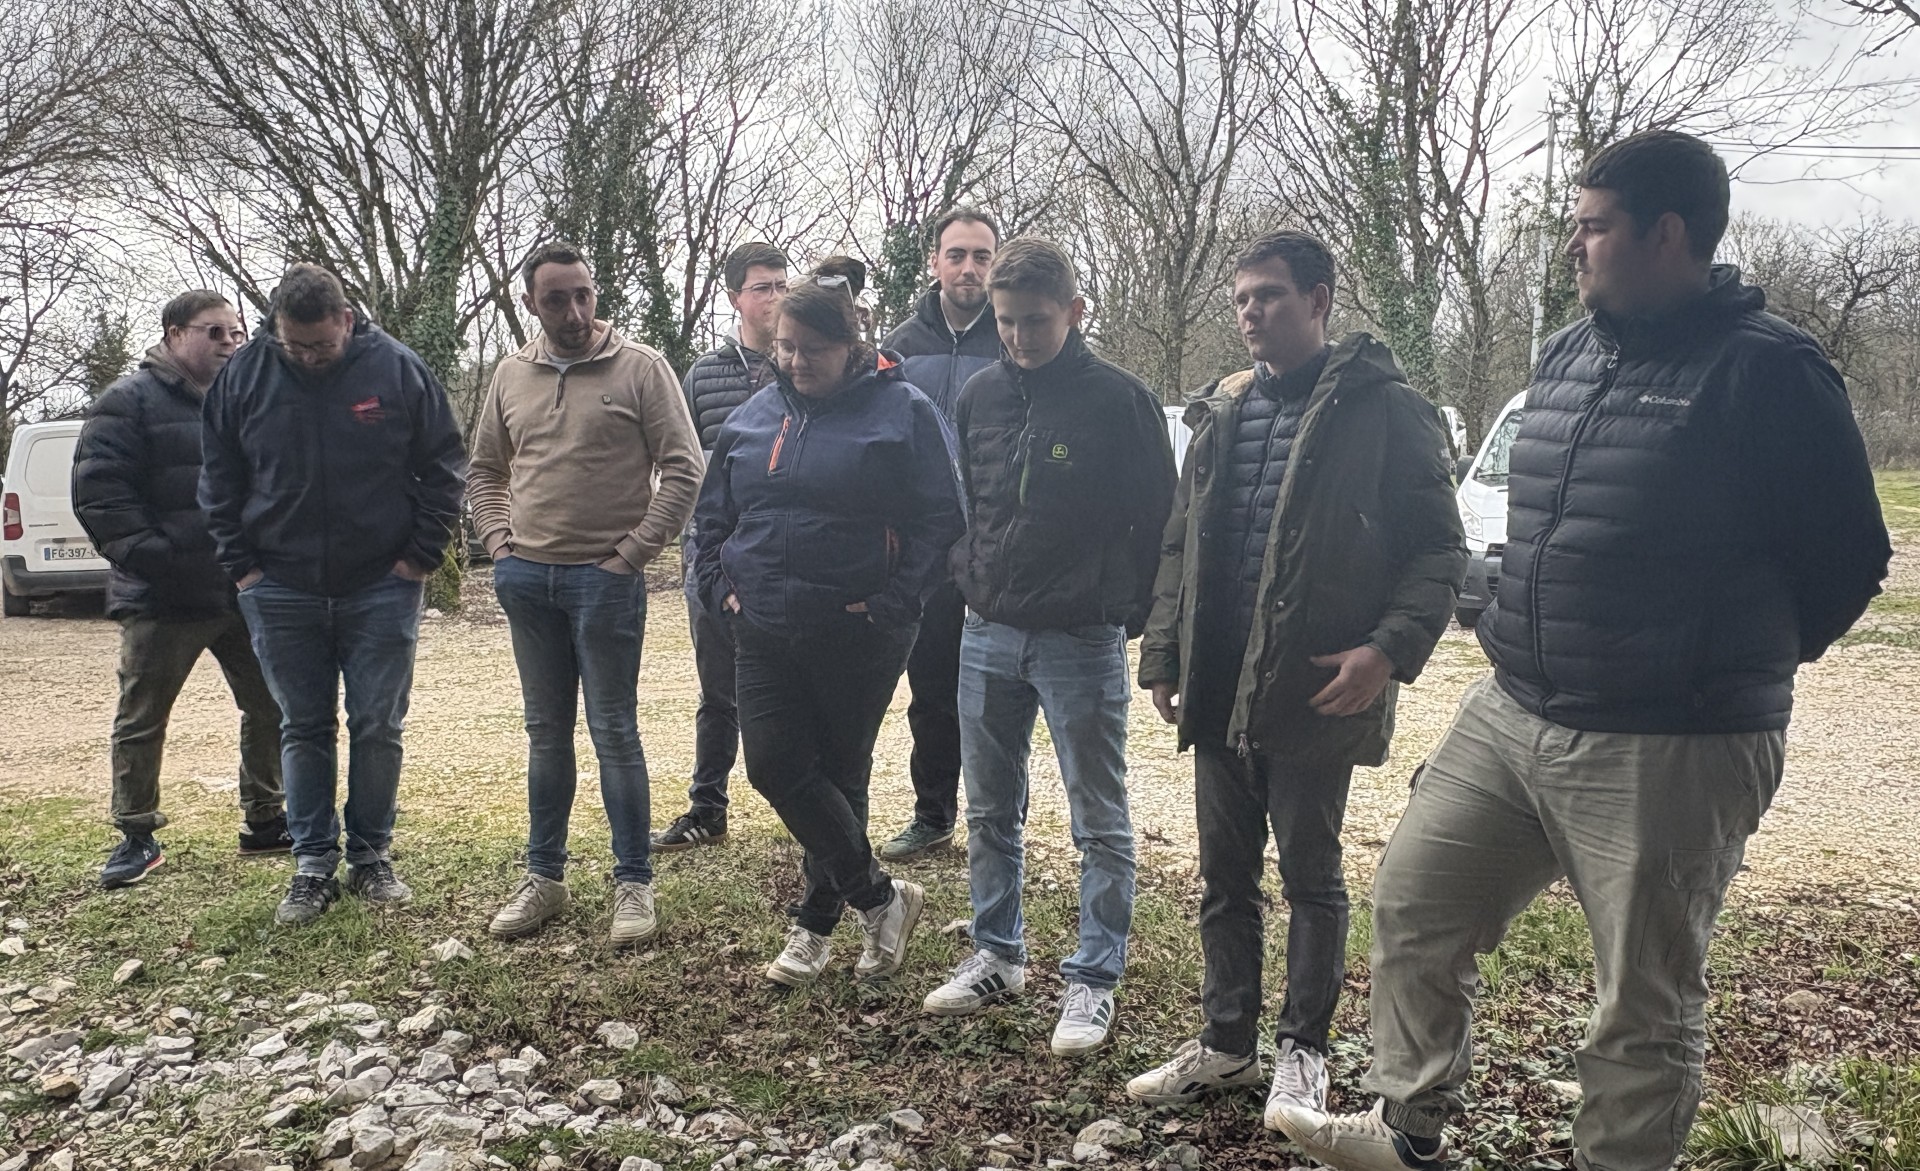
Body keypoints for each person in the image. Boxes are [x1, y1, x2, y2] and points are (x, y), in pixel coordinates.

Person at [1275, 131, 1891, 1171]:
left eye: (1593, 228)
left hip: (1671, 739)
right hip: (1516, 708)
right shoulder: (1570, 353)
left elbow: (1850, 558)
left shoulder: (1770, 371)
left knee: (1642, 996)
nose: (1573, 247)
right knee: (1416, 899)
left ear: (1667, 233)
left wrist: (1716, 662)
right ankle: (1406, 1128)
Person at [1125, 230, 1466, 1113]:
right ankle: (1226, 1043)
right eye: (1241, 298)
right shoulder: (1221, 412)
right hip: (1217, 681)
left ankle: (1303, 1051)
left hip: (1316, 687)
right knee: (1223, 878)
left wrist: (1386, 651)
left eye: (1269, 295)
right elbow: (1179, 543)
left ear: (1319, 300)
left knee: (1312, 878)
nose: (1251, 312)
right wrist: (1163, 651)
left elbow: (1440, 549)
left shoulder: (1387, 409)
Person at [921, 239, 1176, 1056]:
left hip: (1080, 637)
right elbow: (972, 501)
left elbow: (1160, 523)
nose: (1018, 337)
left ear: (1074, 312)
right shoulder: (981, 394)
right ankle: (997, 953)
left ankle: (1093, 977)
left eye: (1034, 321)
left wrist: (1125, 611)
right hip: (987, 630)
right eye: (1005, 321)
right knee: (990, 808)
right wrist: (968, 571)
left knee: (1098, 818)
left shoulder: (1121, 402)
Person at [691, 279, 964, 988]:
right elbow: (710, 520)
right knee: (772, 766)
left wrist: (896, 600)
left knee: (840, 773)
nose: (797, 361)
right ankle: (881, 899)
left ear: (851, 345)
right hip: (761, 626)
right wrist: (721, 591)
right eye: (786, 347)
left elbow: (944, 518)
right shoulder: (753, 417)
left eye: (814, 349)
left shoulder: (904, 411)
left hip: (859, 629)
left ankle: (813, 927)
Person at [200, 263, 467, 927]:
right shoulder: (244, 376)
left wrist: (420, 557)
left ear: (347, 319)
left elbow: (444, 464)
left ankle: (371, 855)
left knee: (377, 724)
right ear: (276, 329)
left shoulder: (397, 369)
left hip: (381, 583)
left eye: (323, 344)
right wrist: (243, 569)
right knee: (302, 725)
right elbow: (218, 477)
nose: (311, 356)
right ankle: (313, 863)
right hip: (279, 585)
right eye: (297, 345)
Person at [468, 242, 703, 946]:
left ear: (596, 293)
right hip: (528, 580)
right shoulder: (511, 373)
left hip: (606, 583)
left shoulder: (642, 367)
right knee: (546, 732)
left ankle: (633, 882)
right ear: (529, 304)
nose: (573, 313)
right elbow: (485, 469)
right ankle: (545, 876)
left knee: (615, 731)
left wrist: (632, 554)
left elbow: (684, 468)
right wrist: (499, 546)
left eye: (583, 296)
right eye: (555, 300)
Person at [73, 290, 287, 888]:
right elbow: (101, 499)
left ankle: (266, 819)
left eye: (235, 333)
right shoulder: (125, 403)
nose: (229, 343)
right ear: (173, 334)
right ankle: (136, 835)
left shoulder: (246, 398)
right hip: (163, 595)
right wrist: (163, 560)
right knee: (142, 717)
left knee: (272, 705)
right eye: (213, 332)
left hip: (241, 589)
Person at [876, 206, 1003, 863]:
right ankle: (933, 814)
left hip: (998, 545)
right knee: (930, 690)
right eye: (957, 255)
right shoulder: (901, 344)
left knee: (996, 693)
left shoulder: (1014, 335)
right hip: (926, 549)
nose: (969, 268)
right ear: (935, 262)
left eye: (982, 256)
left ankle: (996, 819)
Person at [654, 242, 788, 854]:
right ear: (735, 297)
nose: (775, 297)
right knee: (717, 689)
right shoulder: (702, 375)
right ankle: (708, 807)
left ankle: (810, 807)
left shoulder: (805, 362)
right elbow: (680, 462)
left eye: (783, 285)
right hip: (712, 555)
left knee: (796, 685)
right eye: (762, 287)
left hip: (783, 557)